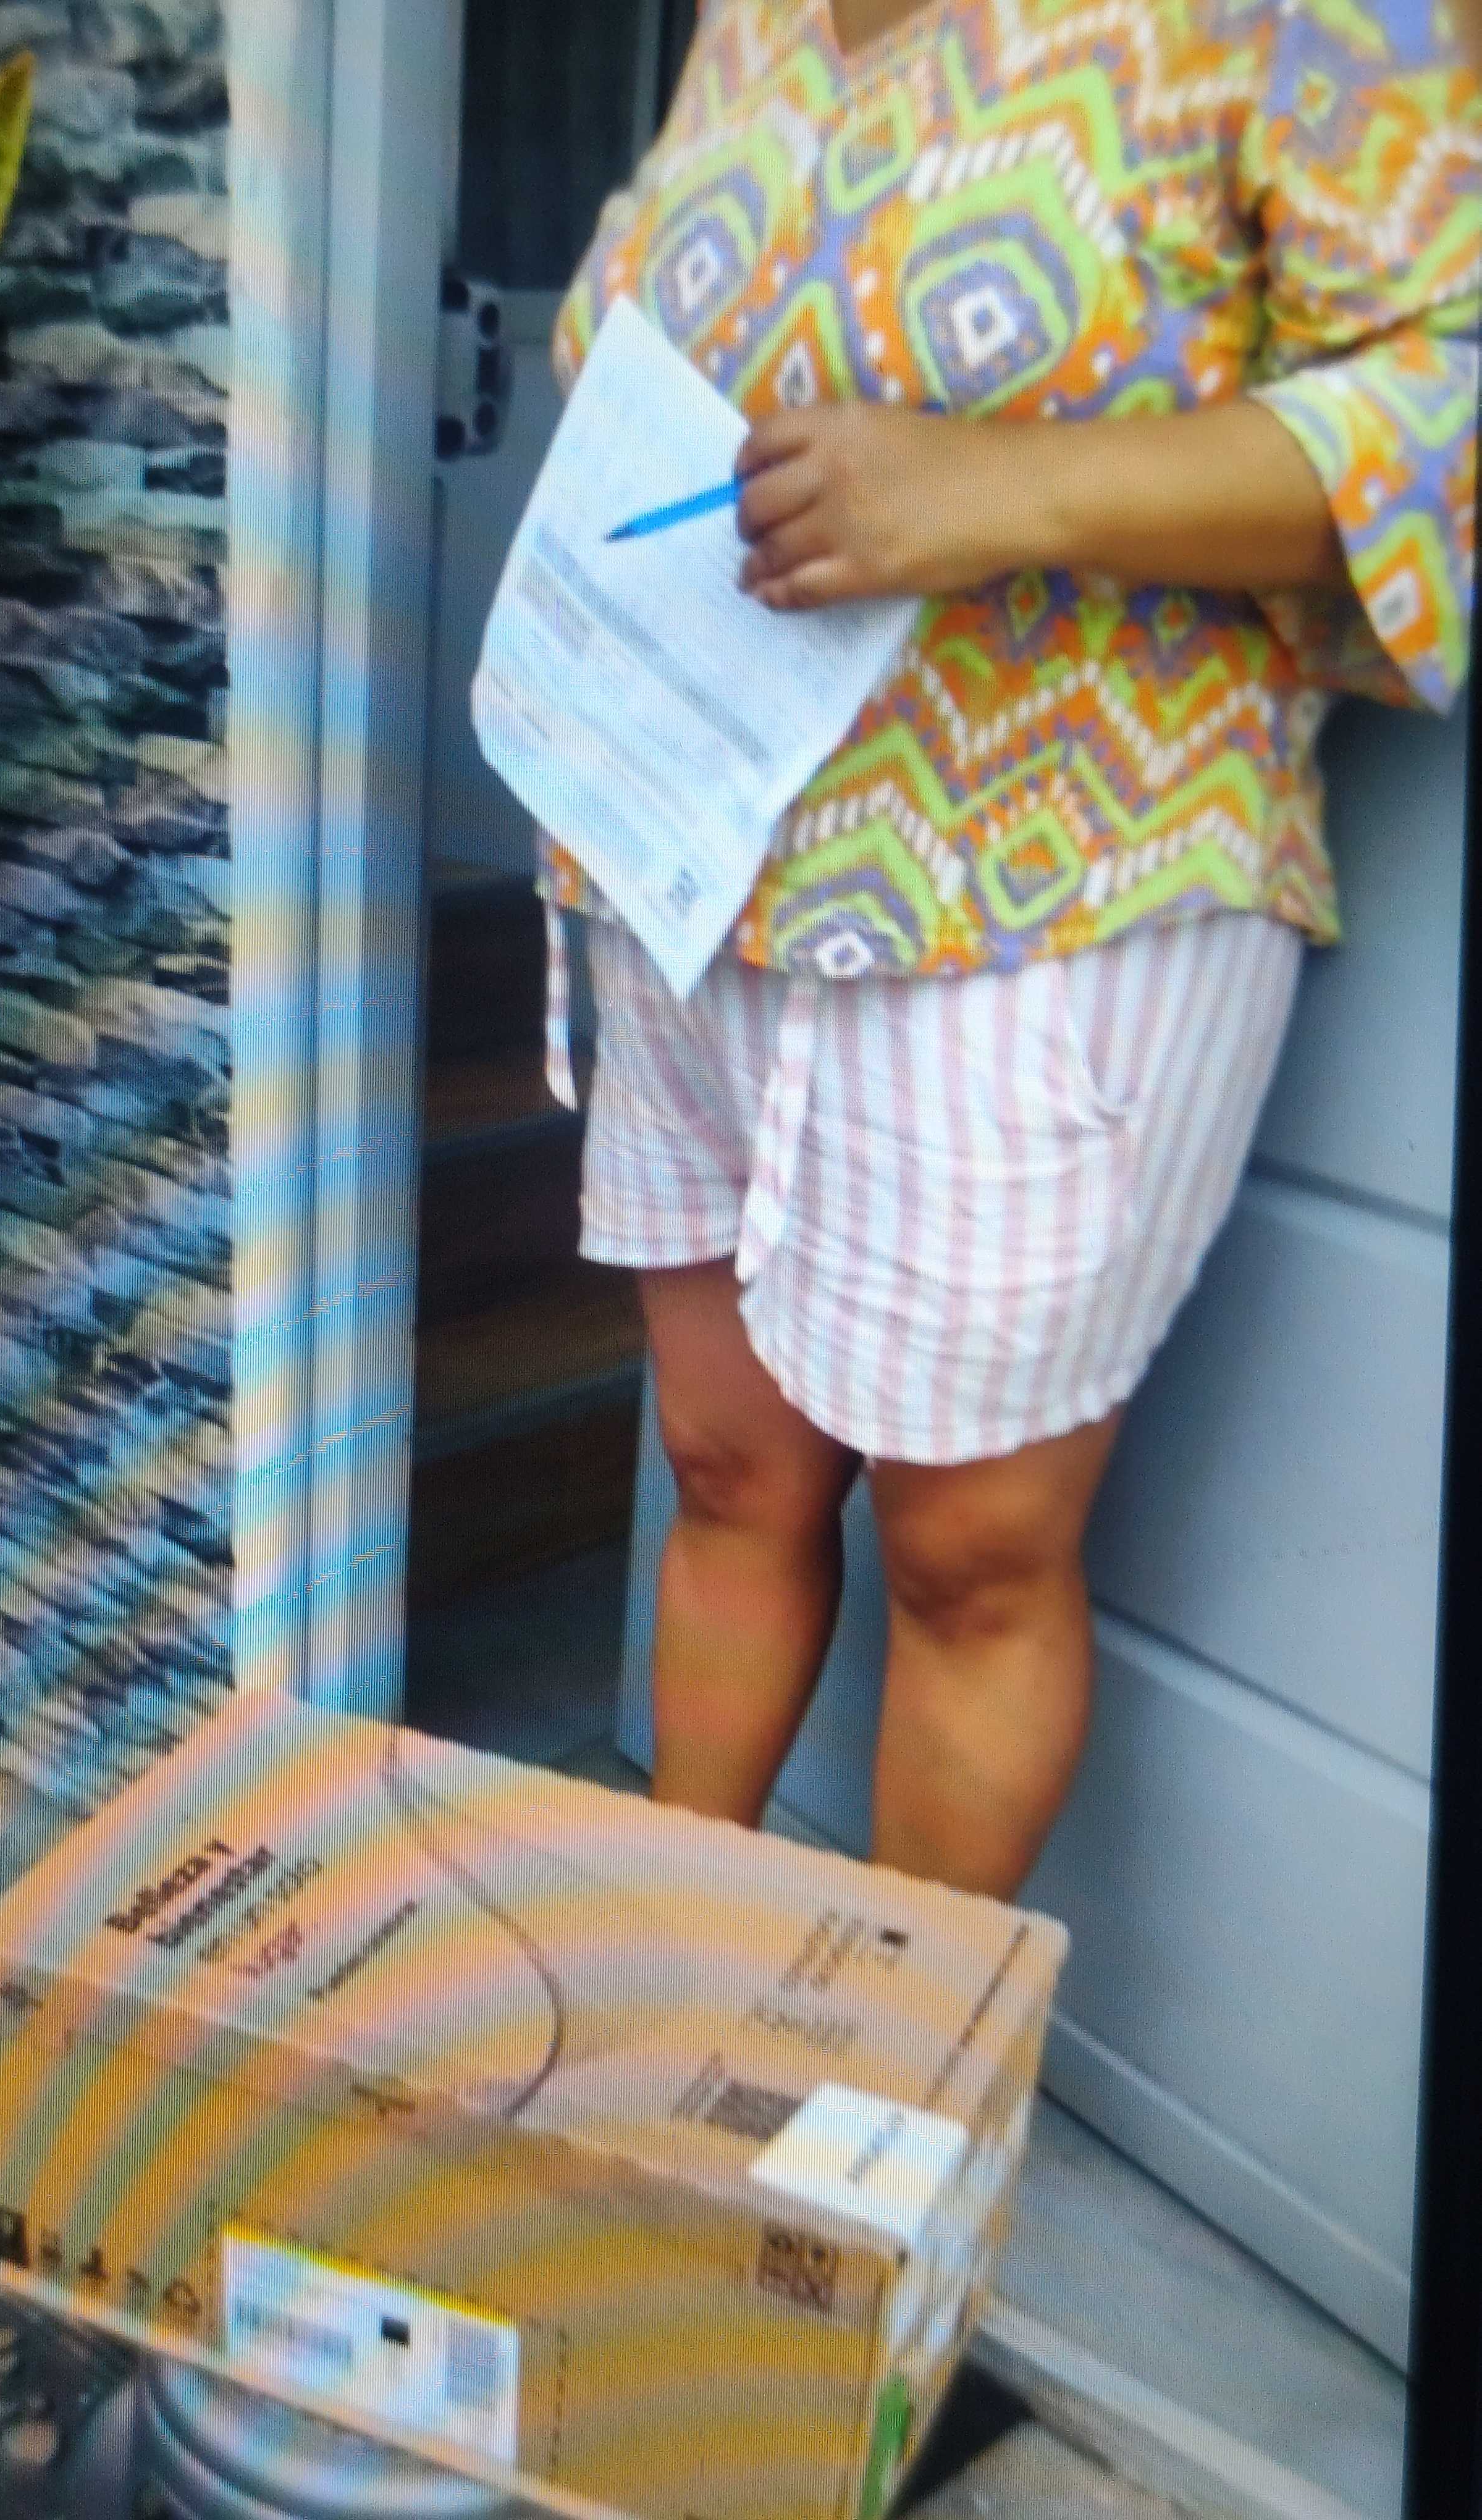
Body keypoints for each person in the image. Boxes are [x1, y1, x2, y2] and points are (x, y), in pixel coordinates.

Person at [539, 0, 1480, 1900]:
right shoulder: (747, 20)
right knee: (723, 1470)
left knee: (968, 1557)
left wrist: (997, 485)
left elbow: (1446, 390)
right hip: (694, 864)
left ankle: (890, 2062)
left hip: (1051, 874)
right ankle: (670, 1980)